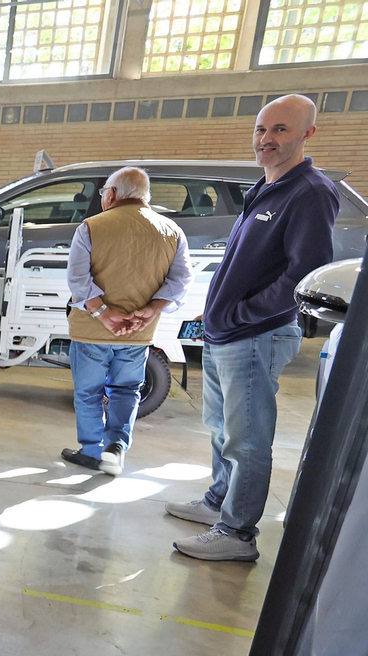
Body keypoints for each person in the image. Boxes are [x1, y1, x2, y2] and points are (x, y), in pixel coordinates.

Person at [168, 94, 339, 562]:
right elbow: (249, 264)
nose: (266, 139)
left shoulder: (309, 192)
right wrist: (217, 309)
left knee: (247, 438)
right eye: (262, 129)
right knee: (221, 430)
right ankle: (218, 502)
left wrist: (241, 313)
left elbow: (304, 275)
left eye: (280, 130)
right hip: (228, 332)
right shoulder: (265, 187)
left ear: (308, 134)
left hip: (256, 335)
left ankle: (237, 533)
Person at [61, 167, 190, 476]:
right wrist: (152, 309)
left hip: (92, 331)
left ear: (113, 194)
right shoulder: (171, 231)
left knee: (88, 393)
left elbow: (78, 280)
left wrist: (102, 314)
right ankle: (116, 447)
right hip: (139, 332)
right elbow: (181, 280)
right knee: (127, 390)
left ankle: (92, 450)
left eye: (105, 192)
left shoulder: (91, 227)